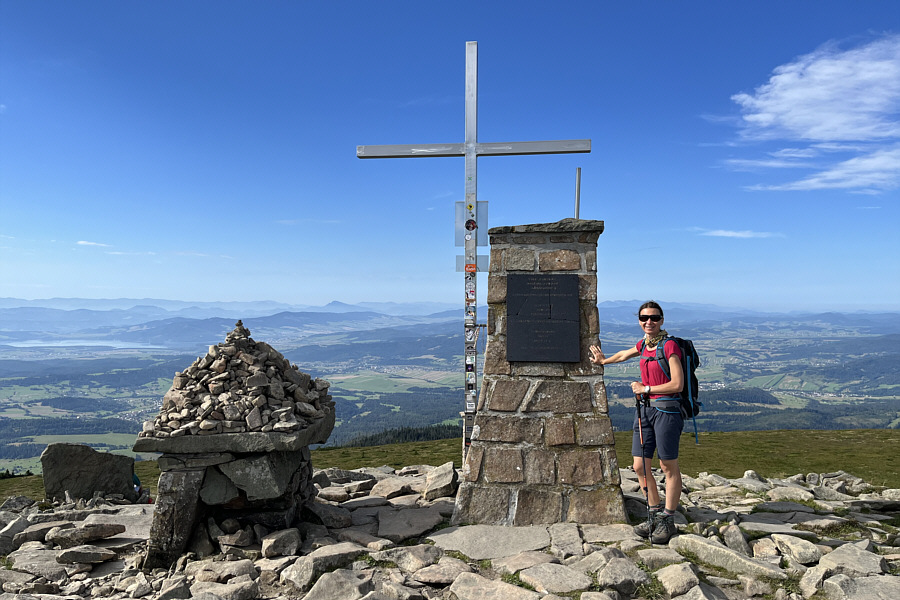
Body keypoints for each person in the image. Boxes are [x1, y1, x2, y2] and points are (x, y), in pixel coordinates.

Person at [589, 300, 683, 544]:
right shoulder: (645, 344)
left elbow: (677, 384)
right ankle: (653, 514)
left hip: (667, 412)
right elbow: (624, 354)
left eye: (653, 317)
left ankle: (668, 519)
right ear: (639, 320)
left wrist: (646, 387)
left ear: (662, 320)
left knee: (667, 466)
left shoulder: (669, 345)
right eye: (644, 318)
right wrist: (603, 361)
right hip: (645, 412)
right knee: (640, 466)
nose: (648, 321)